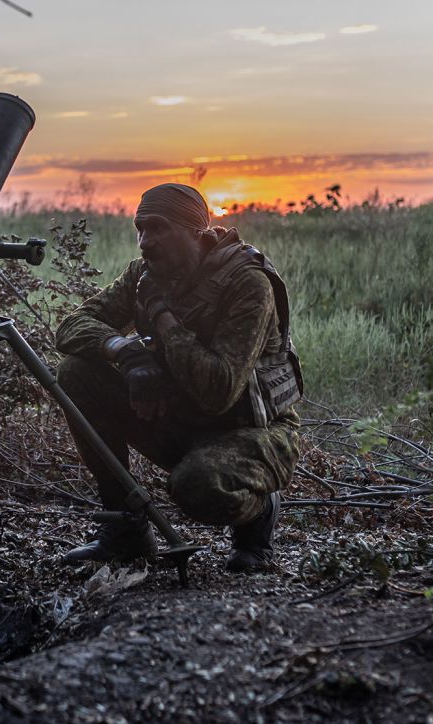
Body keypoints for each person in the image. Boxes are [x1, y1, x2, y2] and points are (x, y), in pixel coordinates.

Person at [54, 183, 303, 573]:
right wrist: (127, 352)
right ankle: (126, 530)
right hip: (181, 421)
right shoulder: (146, 274)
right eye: (140, 228)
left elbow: (219, 390)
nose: (144, 242)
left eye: (157, 228)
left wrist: (165, 321)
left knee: (198, 487)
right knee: (76, 373)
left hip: (251, 433)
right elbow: (70, 327)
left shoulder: (247, 283)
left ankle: (258, 513)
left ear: (195, 231)